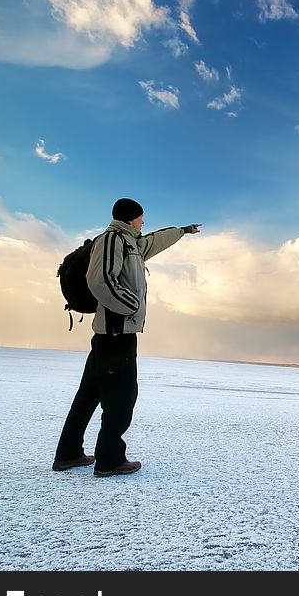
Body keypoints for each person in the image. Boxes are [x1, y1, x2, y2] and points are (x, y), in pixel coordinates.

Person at [53, 197, 201, 477]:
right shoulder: (112, 240)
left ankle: (68, 453)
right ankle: (109, 460)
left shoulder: (131, 242)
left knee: (88, 396)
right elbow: (100, 280)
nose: (144, 222)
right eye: (141, 218)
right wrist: (130, 305)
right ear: (131, 218)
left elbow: (154, 242)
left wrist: (183, 231)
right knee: (122, 397)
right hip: (116, 331)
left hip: (111, 333)